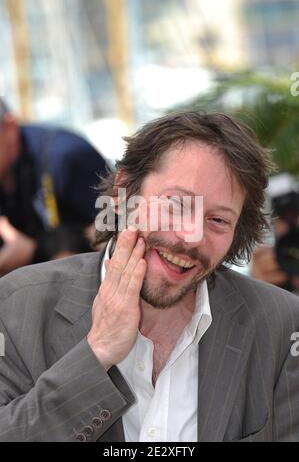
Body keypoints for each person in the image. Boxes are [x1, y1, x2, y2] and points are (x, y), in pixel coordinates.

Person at [0, 111, 299, 442]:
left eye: (218, 220)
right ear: (124, 191)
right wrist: (96, 353)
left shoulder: (282, 324)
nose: (191, 236)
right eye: (175, 204)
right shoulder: (15, 307)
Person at [0, 98, 108, 274]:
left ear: (10, 128)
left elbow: (119, 237)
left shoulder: (66, 156)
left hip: (86, 285)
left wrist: (34, 252)